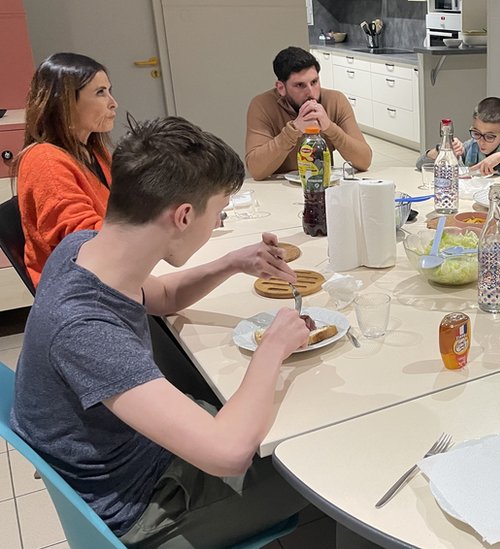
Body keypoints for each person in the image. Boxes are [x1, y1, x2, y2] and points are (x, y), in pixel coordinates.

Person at [10, 116, 312, 547]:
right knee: (313, 464)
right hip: (141, 508)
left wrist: (232, 262)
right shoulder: (85, 329)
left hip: (139, 457)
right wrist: (274, 346)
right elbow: (227, 454)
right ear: (184, 216)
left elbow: (164, 295)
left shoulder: (81, 250)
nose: (217, 224)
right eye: (218, 213)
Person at [15, 52, 117, 287]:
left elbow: (127, 204)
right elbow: (83, 241)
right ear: (66, 103)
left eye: (109, 91)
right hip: (78, 289)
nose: (113, 103)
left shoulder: (94, 150)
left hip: (107, 272)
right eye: (100, 92)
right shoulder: (45, 161)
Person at [245, 46, 372, 180]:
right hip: (281, 186)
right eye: (300, 85)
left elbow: (364, 161)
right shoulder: (262, 105)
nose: (311, 92)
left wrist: (330, 128)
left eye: (314, 82)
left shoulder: (336, 100)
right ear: (281, 88)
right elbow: (256, 170)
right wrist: (293, 130)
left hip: (323, 184)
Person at [416, 97, 500, 184]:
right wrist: (444, 149)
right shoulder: (470, 147)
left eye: (490, 136)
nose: (481, 142)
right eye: (477, 133)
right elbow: (420, 164)